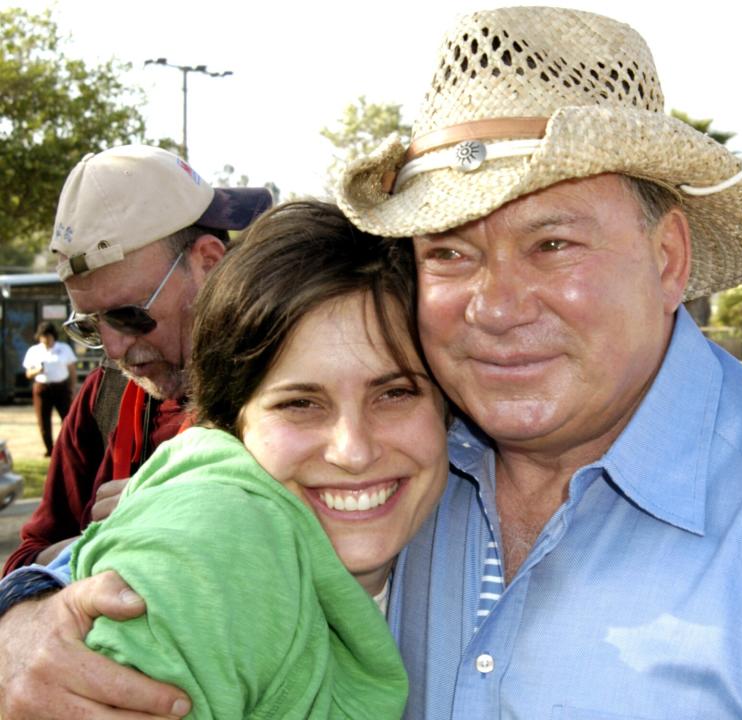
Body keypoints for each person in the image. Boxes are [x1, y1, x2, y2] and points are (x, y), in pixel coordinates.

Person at [2, 8, 742, 719]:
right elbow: (174, 534)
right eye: (450, 253)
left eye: (553, 244)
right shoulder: (392, 459)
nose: (496, 307)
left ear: (667, 258)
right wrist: (25, 625)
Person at [69, 199, 444, 717]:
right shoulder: (205, 561)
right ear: (232, 421)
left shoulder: (479, 507)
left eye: (395, 393)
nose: (354, 451)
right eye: (300, 404)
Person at [3, 144, 272, 574]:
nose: (112, 349)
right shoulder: (103, 398)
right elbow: (26, 558)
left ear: (207, 263)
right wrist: (111, 540)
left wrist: (202, 518)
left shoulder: (287, 397)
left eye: (128, 315)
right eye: (90, 324)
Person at [21, 321, 76, 457]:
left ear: (53, 336)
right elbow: (28, 373)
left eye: (48, 336)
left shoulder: (63, 348)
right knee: (43, 421)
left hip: (61, 387)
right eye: (43, 337)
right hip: (42, 388)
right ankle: (49, 449)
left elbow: (72, 370)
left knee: (67, 418)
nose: (46, 340)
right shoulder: (34, 351)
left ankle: (65, 447)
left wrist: (72, 387)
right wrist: (37, 370)